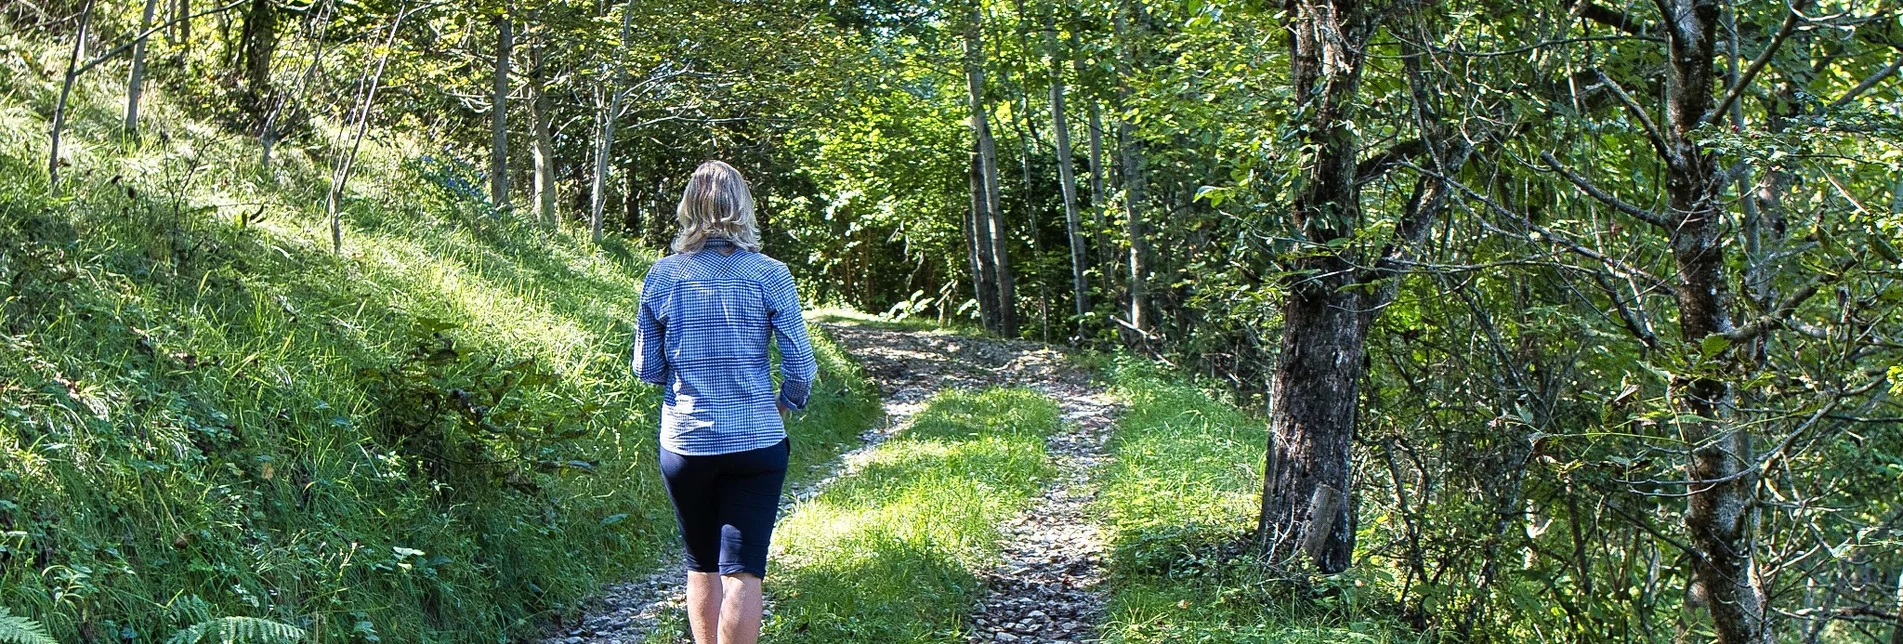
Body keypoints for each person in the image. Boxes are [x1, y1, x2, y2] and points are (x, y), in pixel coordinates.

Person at [631, 160, 816, 644]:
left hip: (686, 442)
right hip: (756, 441)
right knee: (744, 569)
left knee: (701, 564)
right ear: (743, 209)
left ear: (688, 208)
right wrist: (782, 406)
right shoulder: (770, 274)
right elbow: (801, 366)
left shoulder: (663, 276)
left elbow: (646, 368)